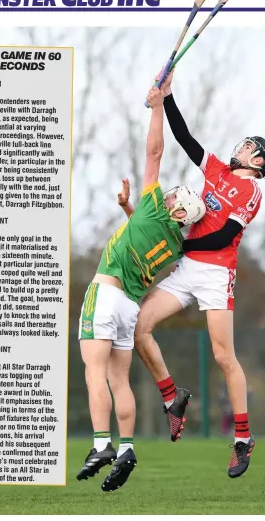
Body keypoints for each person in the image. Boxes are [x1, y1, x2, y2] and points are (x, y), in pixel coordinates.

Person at [134, 70, 265, 479]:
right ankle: (172, 397)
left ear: (260, 163)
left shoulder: (252, 192)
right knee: (139, 326)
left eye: (250, 148)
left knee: (223, 356)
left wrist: (182, 247)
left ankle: (242, 438)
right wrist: (168, 98)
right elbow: (185, 139)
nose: (242, 148)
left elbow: (225, 238)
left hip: (216, 273)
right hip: (187, 268)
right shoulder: (216, 171)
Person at [76, 85, 205, 492]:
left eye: (173, 197)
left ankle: (101, 445)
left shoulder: (154, 208)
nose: (165, 194)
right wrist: (126, 209)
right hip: (128, 309)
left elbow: (154, 154)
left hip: (104, 295)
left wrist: (157, 107)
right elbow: (141, 234)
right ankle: (127, 447)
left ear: (179, 210)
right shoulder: (173, 242)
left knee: (93, 373)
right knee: (119, 382)